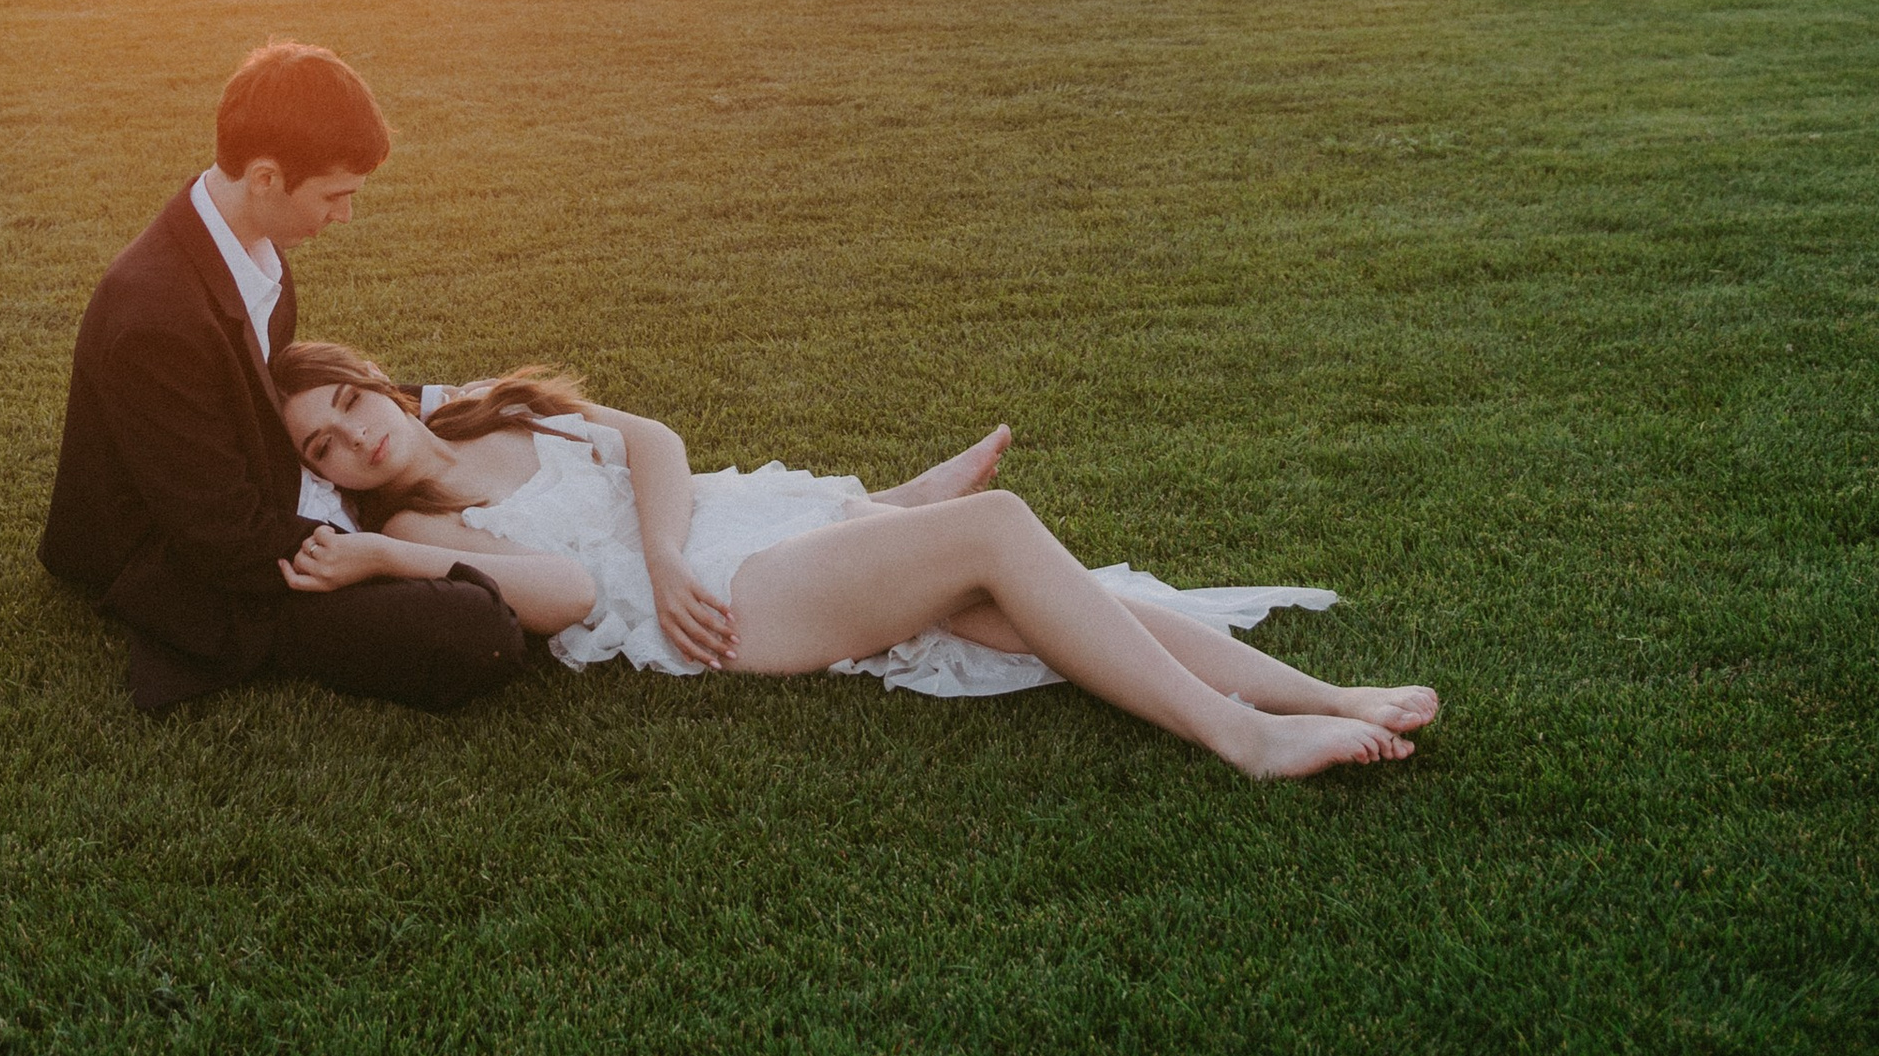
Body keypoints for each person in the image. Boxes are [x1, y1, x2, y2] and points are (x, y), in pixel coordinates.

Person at [275, 347, 1439, 778]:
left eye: (345, 402)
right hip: (722, 610)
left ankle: (1318, 696)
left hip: (713, 544)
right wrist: (381, 549)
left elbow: (649, 442)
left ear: (374, 380)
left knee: (1030, 603)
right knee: (997, 534)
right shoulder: (420, 525)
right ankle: (1243, 735)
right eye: (326, 446)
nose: (354, 433)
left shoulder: (486, 410)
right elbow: (566, 596)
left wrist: (665, 537)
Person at [37, 42, 527, 716]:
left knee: (463, 553)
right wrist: (371, 552)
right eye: (334, 195)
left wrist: (427, 399)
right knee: (476, 633)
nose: (344, 216)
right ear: (265, 177)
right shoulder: (154, 321)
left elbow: (274, 391)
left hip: (250, 485)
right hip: (182, 560)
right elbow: (222, 540)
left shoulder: (250, 243)